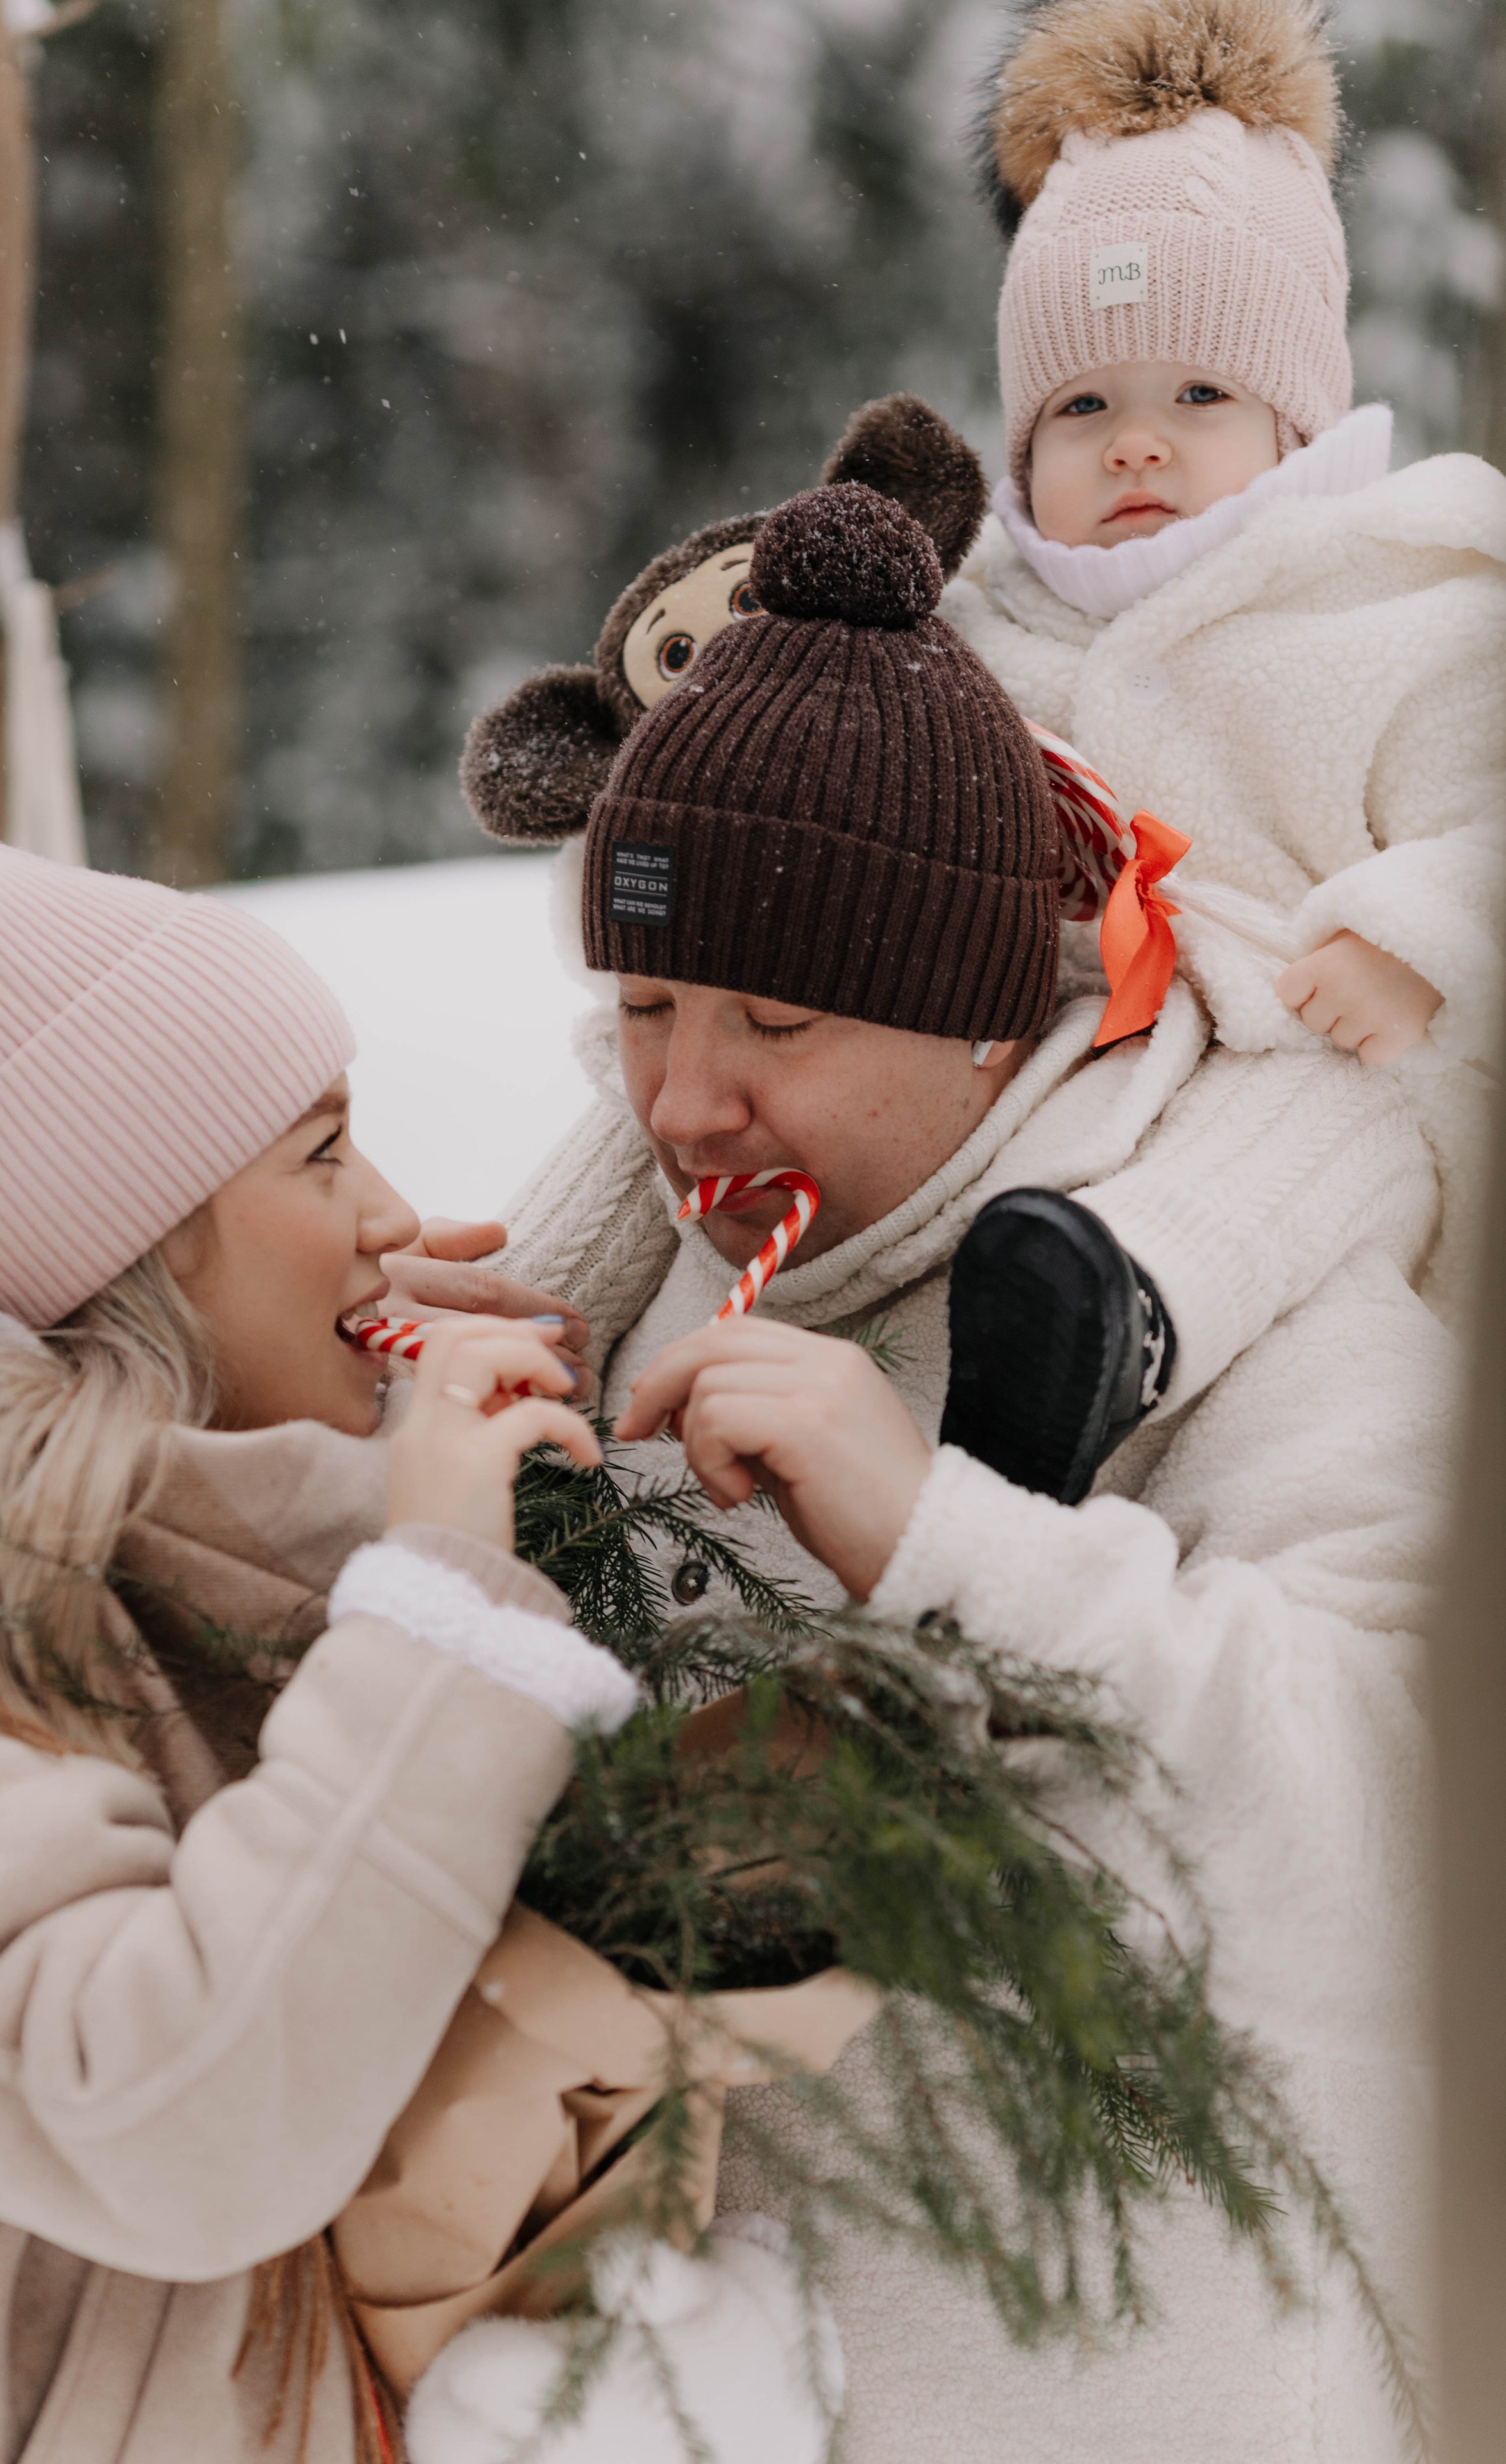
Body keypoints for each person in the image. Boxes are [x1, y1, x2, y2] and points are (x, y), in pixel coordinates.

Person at [484, 475, 1445, 2462]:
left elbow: (1417, 1837)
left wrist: (954, 1542)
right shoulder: (634, 1266)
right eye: (646, 1005)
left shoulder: (1242, 1278)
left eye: (778, 1015)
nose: (682, 1095)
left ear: (988, 1023)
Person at [0, 828, 640, 2464]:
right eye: (318, 1155)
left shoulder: (70, 1542)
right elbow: (172, 2127)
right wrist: (429, 1603)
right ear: (114, 1246)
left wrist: (297, 1427)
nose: (396, 1211)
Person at [945, 0, 1505, 1354]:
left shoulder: (1402, 601)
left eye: (1197, 395)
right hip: (1046, 1132)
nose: (1136, 445)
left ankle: (1109, 1338)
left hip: (1337, 1132)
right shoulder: (975, 638)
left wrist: (1414, 938)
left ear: (1289, 418)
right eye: (1082, 407)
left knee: (1314, 1144)